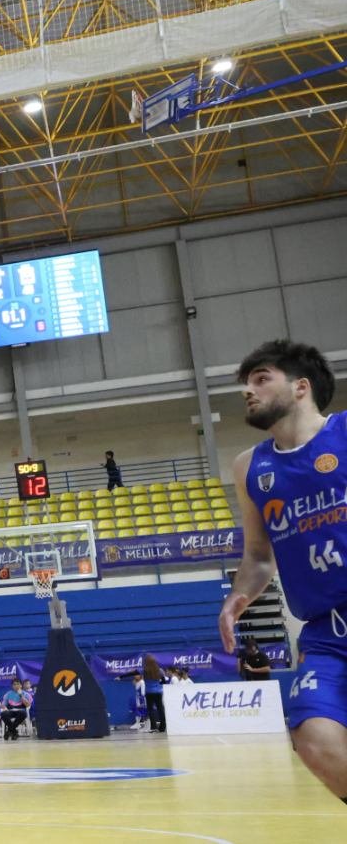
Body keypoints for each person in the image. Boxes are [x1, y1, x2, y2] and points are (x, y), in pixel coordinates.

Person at [219, 340, 347, 800]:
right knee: (314, 739)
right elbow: (258, 555)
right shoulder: (249, 467)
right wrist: (239, 596)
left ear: (301, 387)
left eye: (261, 379)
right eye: (246, 384)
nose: (247, 391)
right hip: (326, 630)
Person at [141, 655, 166, 733]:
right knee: (160, 708)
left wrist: (120, 677)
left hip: (149, 692)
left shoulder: (144, 671)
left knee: (151, 709)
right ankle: (162, 727)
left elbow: (132, 673)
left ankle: (154, 727)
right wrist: (158, 685)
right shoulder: (160, 670)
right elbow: (164, 681)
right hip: (158, 692)